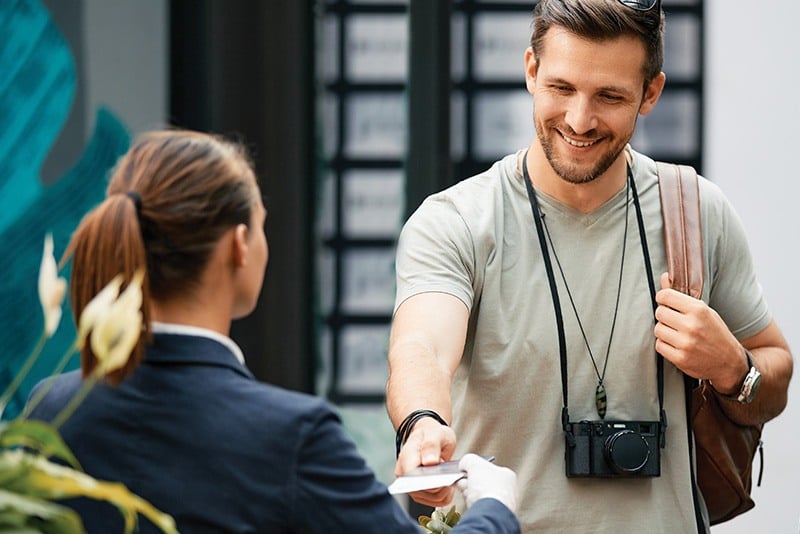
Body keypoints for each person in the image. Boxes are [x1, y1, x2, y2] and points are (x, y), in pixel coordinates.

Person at [386, 0, 793, 532]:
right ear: (531, 70)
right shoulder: (458, 221)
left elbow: (776, 371)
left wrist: (731, 368)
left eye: (609, 96)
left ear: (651, 93)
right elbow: (421, 346)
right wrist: (422, 422)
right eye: (561, 88)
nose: (580, 120)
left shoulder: (696, 212)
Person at [27, 129, 520, 533]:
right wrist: (495, 508)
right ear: (239, 246)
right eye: (261, 224)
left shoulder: (50, 412)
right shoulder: (293, 437)